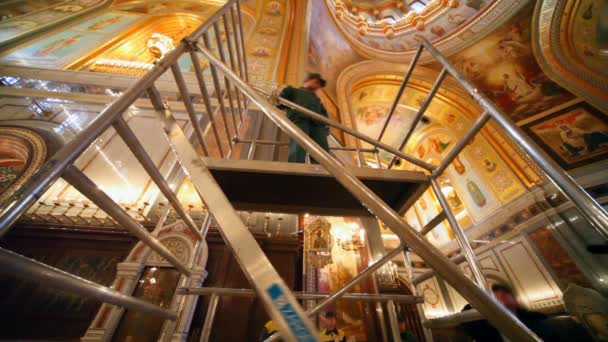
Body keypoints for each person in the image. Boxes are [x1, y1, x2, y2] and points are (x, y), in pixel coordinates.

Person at [460, 284, 556, 341]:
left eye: (503, 296)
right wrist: (476, 302)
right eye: (496, 300)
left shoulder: (534, 319)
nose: (501, 302)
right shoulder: (487, 328)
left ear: (514, 299)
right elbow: (466, 324)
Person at [277, 73, 330, 163]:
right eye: (316, 82)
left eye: (319, 85)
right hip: (300, 120)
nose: (317, 86)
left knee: (321, 150)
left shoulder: (318, 100)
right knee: (299, 146)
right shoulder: (293, 91)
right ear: (307, 80)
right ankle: (295, 169)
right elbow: (280, 103)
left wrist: (326, 128)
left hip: (317, 125)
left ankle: (320, 171)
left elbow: (324, 116)